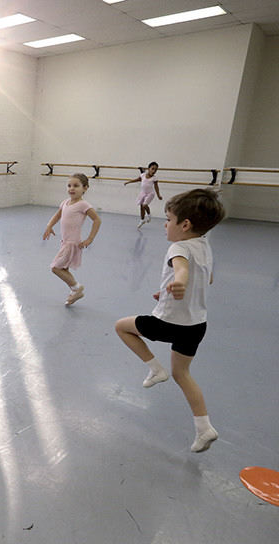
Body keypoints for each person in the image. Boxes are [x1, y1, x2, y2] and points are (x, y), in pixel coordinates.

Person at [115, 188, 225, 453]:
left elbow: (183, 270)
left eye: (168, 220)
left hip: (169, 322)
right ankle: (204, 427)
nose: (165, 225)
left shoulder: (178, 247)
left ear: (184, 225)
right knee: (183, 374)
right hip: (196, 325)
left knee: (121, 327)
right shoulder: (204, 245)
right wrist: (170, 287)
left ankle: (155, 369)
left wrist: (178, 282)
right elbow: (206, 278)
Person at [42, 173, 101, 305]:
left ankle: (76, 288)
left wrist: (90, 238)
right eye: (69, 185)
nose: (71, 189)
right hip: (64, 242)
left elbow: (97, 220)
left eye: (76, 186)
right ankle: (75, 291)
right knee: (63, 269)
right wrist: (49, 225)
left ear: (85, 188)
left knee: (55, 268)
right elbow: (57, 216)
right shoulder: (65, 202)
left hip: (72, 244)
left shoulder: (83, 205)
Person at [124, 161, 162, 229]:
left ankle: (149, 215)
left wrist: (158, 195)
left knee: (145, 205)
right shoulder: (143, 175)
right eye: (152, 169)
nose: (154, 171)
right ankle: (142, 220)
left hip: (150, 194)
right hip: (143, 193)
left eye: (156, 170)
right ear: (148, 168)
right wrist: (128, 182)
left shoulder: (154, 178)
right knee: (141, 207)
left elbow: (156, 187)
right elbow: (137, 179)